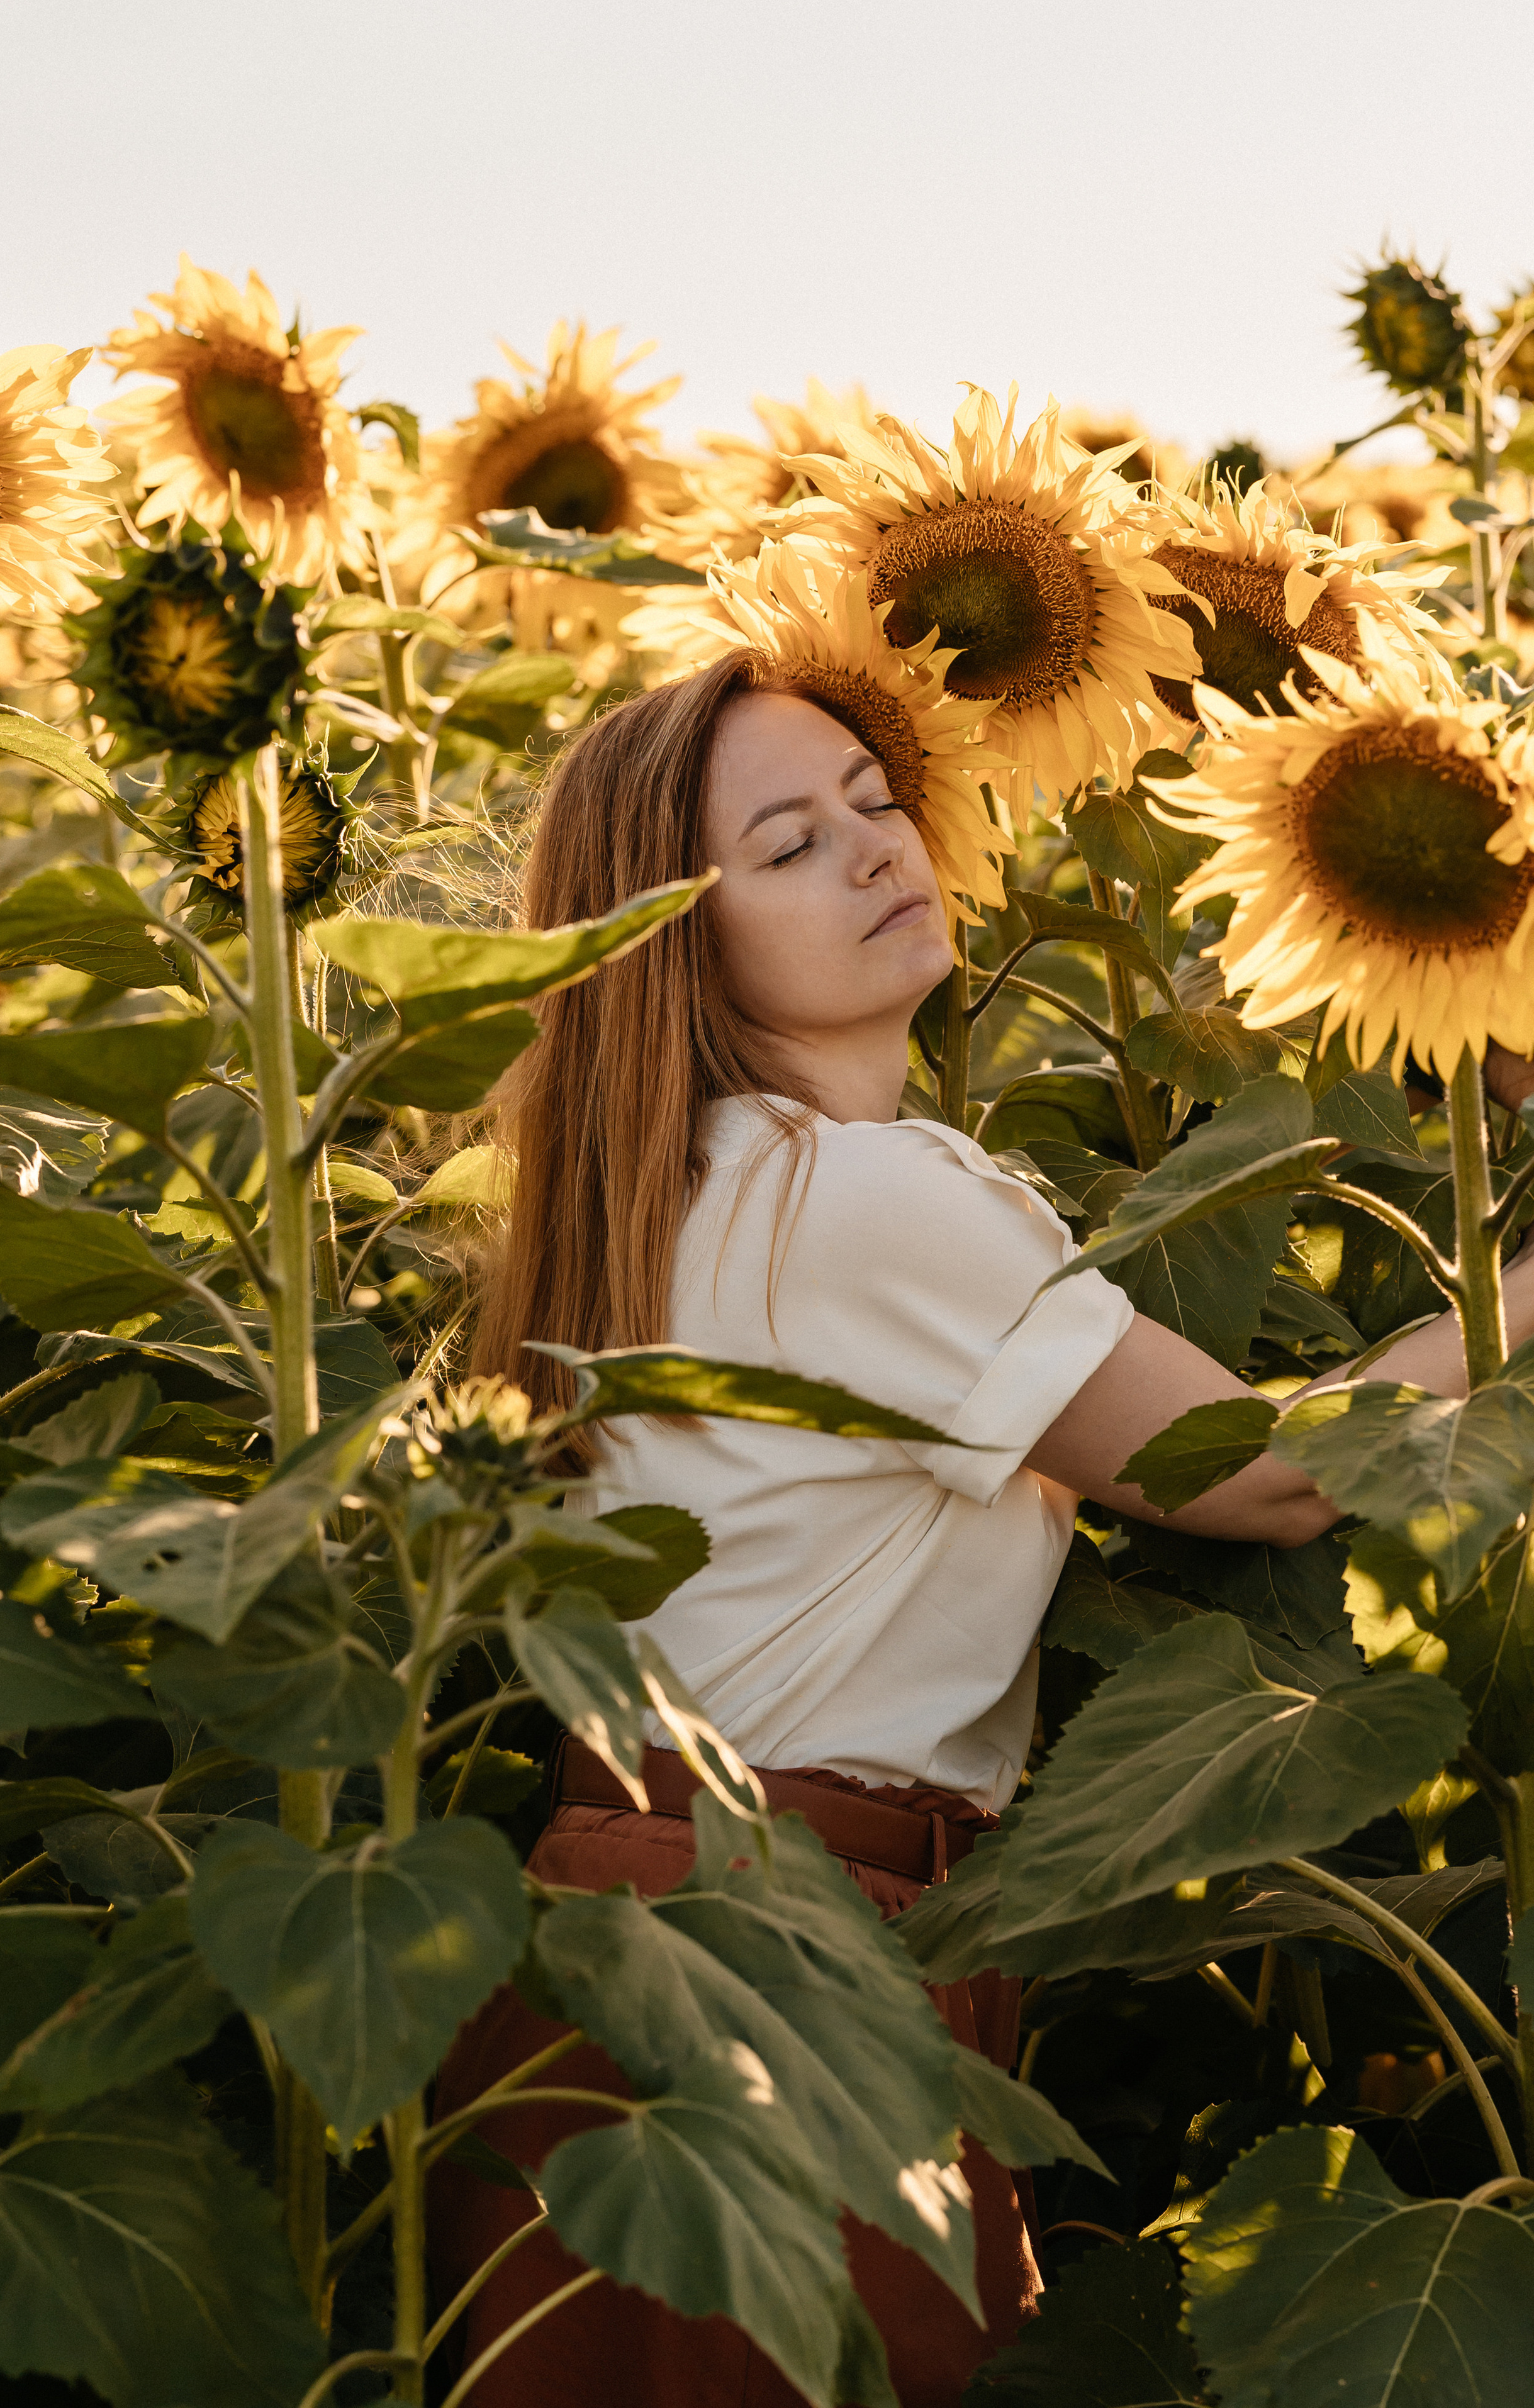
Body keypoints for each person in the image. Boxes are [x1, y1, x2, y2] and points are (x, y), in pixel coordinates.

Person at [428, 652, 1534, 2408]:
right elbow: (1270, 1474)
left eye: (876, 802)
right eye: (789, 845)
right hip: (793, 1954)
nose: (878, 850)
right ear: (676, 938)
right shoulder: (862, 1200)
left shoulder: (681, 1188)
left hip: (617, 1932)